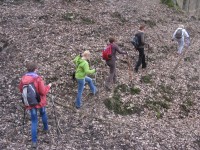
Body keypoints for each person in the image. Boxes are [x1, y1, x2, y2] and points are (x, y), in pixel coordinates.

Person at [19, 62, 51, 149]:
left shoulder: (23, 78)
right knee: (43, 113)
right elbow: (43, 92)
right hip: (40, 101)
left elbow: (21, 89)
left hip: (30, 102)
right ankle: (46, 129)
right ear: (35, 69)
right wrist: (48, 86)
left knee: (34, 121)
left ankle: (34, 142)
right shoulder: (38, 78)